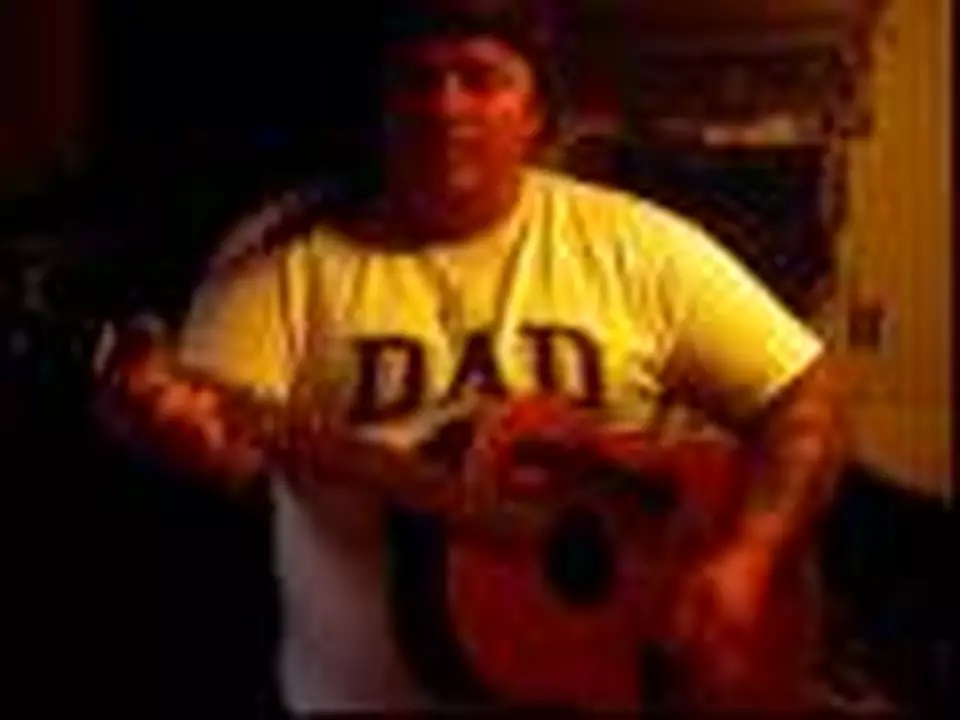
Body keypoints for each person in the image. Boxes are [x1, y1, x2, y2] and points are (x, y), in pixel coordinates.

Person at [96, 0, 849, 713]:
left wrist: (749, 556)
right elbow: (224, 452)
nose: (445, 105)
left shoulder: (637, 249)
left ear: (536, 112)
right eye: (417, 79)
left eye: (480, 79)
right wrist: (178, 434)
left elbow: (804, 396)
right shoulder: (282, 260)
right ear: (382, 105)